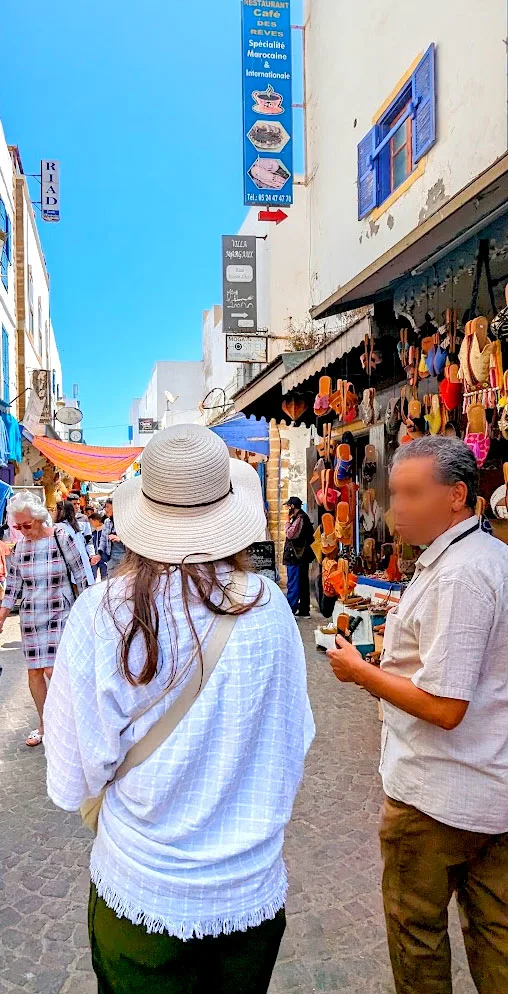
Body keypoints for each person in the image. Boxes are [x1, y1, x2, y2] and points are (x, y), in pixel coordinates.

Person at [44, 424, 314, 994]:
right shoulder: (269, 611)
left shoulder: (100, 614)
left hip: (143, 891)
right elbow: (294, 743)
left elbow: (72, 779)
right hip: (248, 894)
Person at [327, 436, 508, 994]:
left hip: (438, 794)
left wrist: (362, 671)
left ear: (457, 496)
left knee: (418, 937)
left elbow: (446, 707)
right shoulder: (486, 558)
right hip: (489, 786)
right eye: (393, 494)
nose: (394, 509)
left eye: (410, 494)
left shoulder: (460, 575)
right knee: (497, 937)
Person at [0, 491, 88, 747]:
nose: (23, 530)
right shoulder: (19, 549)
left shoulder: (61, 538)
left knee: (54, 670)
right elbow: (13, 588)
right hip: (31, 616)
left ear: (39, 518)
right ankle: (44, 724)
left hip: (60, 611)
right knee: (35, 672)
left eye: (27, 524)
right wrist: (3, 616)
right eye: (17, 526)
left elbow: (81, 576)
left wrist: (86, 612)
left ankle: (68, 721)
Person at [283, 496, 314, 618]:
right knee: (301, 582)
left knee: (294, 583)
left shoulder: (300, 518)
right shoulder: (299, 517)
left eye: (288, 506)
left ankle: (292, 609)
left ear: (292, 507)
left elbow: (291, 534)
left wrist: (286, 522)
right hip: (299, 556)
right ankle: (303, 610)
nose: (287, 509)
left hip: (296, 556)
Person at [54, 500, 95, 586]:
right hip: (80, 564)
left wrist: (91, 554)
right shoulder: (73, 526)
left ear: (61, 511)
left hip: (69, 565)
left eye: (55, 510)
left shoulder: (58, 528)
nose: (53, 512)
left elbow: (88, 538)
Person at [99, 497, 126, 573]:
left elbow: (132, 540)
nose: (105, 509)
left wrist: (120, 539)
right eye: (105, 507)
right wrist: (100, 553)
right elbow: (103, 539)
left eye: (108, 507)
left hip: (125, 561)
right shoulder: (107, 522)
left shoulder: (125, 521)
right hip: (111, 560)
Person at [89, 512, 107, 581]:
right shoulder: (92, 532)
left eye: (91, 522)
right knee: (92, 576)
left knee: (104, 577)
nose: (91, 524)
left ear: (96, 521)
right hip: (93, 557)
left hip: (103, 557)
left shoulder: (105, 531)